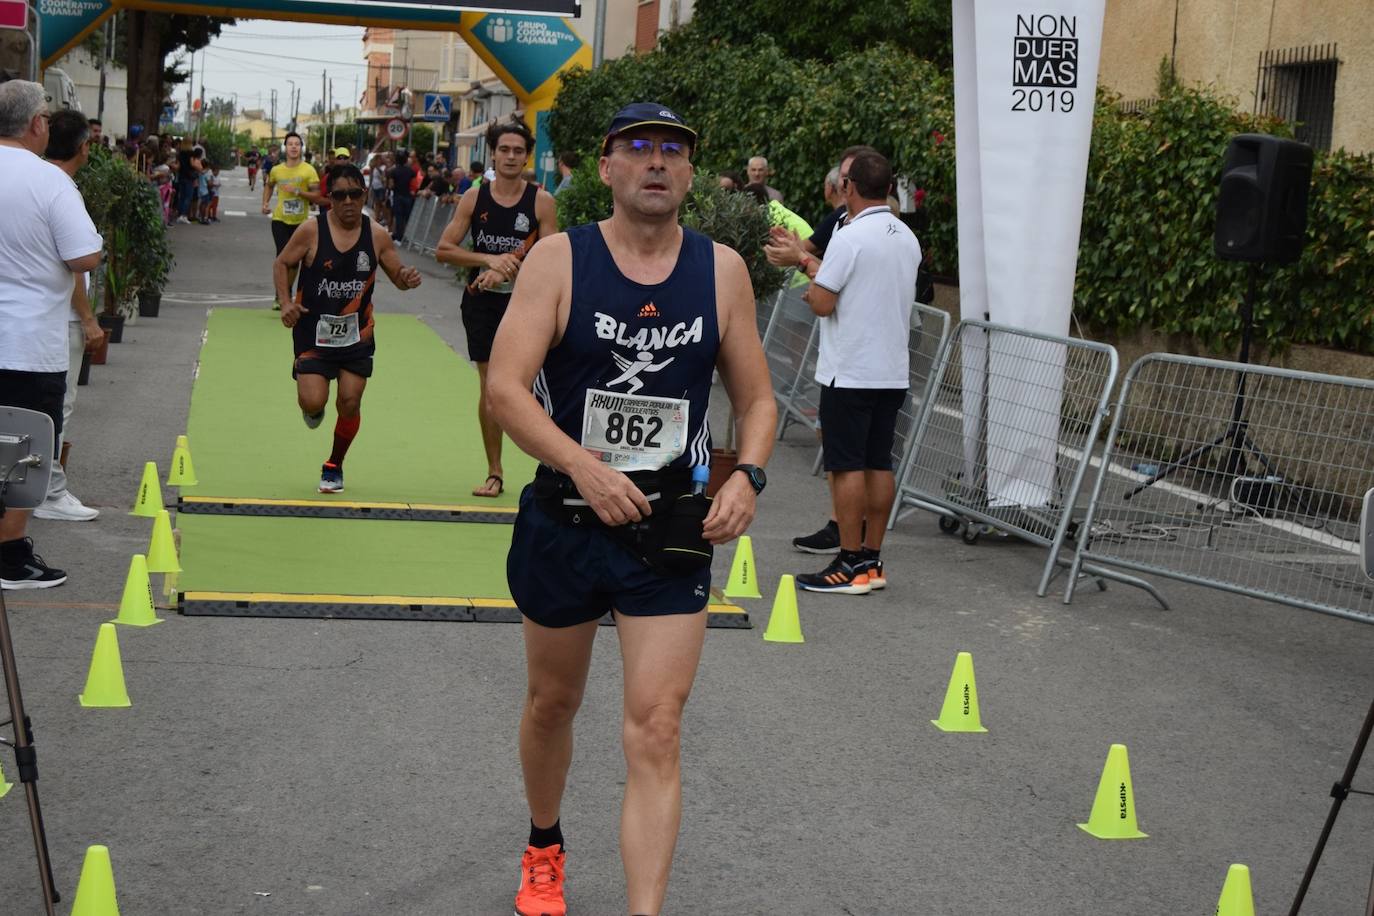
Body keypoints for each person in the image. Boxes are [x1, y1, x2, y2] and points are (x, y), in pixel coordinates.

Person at [486, 101, 775, 916]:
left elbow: (758, 400)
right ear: (606, 168)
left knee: (657, 724)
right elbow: (505, 389)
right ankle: (545, 843)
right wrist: (582, 465)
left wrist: (749, 475)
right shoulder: (558, 260)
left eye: (673, 151)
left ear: (690, 173)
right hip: (566, 520)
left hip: (666, 529)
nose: (656, 162)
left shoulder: (721, 272)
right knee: (553, 702)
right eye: (638, 149)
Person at [789, 149, 920, 594]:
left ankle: (847, 563)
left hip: (850, 368)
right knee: (878, 463)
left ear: (848, 187)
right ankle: (871, 560)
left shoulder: (849, 236)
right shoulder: (906, 236)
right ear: (888, 188)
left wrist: (810, 280)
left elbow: (824, 301)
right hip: (891, 369)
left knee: (846, 466)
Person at [0, 81, 103, 588]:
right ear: (37, 124)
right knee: (27, 447)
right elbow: (84, 256)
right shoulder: (49, 181)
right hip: (27, 341)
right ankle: (11, 557)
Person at [273, 163, 423, 493]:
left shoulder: (377, 235)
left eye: (355, 194)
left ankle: (334, 464)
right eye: (339, 195)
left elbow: (397, 276)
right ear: (329, 198)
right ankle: (313, 407)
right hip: (313, 334)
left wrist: (407, 279)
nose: (348, 202)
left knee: (350, 402)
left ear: (364, 194)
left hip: (357, 334)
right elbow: (283, 263)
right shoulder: (311, 232)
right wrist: (285, 303)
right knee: (313, 403)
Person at [435, 118, 557, 498]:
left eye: (518, 151)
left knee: (536, 388)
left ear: (527, 157)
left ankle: (555, 468)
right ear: (493, 153)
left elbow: (554, 259)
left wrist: (511, 269)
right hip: (482, 305)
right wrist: (489, 261)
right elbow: (444, 250)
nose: (510, 156)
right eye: (504, 149)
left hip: (527, 306)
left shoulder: (541, 201)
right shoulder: (475, 197)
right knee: (492, 390)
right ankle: (495, 471)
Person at [765, 145, 877, 555]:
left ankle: (853, 550)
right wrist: (790, 250)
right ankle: (855, 540)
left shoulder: (869, 228)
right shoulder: (843, 221)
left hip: (859, 360)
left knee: (854, 457)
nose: (840, 186)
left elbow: (826, 289)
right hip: (857, 359)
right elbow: (806, 250)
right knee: (859, 455)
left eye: (846, 179)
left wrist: (802, 263)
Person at [34, 109, 105, 523]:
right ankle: (49, 489)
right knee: (58, 405)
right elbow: (77, 262)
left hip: (39, 314)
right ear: (83, 147)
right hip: (60, 317)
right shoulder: (61, 188)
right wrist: (89, 319)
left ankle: (42, 486)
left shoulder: (34, 180)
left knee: (42, 404)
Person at [262, 131, 321, 310]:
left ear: (301, 148)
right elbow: (269, 185)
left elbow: (317, 195)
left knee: (294, 260)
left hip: (300, 222)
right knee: (281, 256)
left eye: (297, 144)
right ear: (285, 148)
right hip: (280, 220)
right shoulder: (277, 170)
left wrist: (298, 192)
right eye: (290, 144)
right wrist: (265, 202)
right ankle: (280, 296)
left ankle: (285, 292)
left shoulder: (308, 170)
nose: (294, 147)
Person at [386, 149, 416, 241]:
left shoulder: (393, 171)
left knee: (399, 217)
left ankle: (399, 236)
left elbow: (391, 185)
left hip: (397, 196)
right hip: (408, 196)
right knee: (408, 217)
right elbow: (414, 183)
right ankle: (409, 236)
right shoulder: (411, 171)